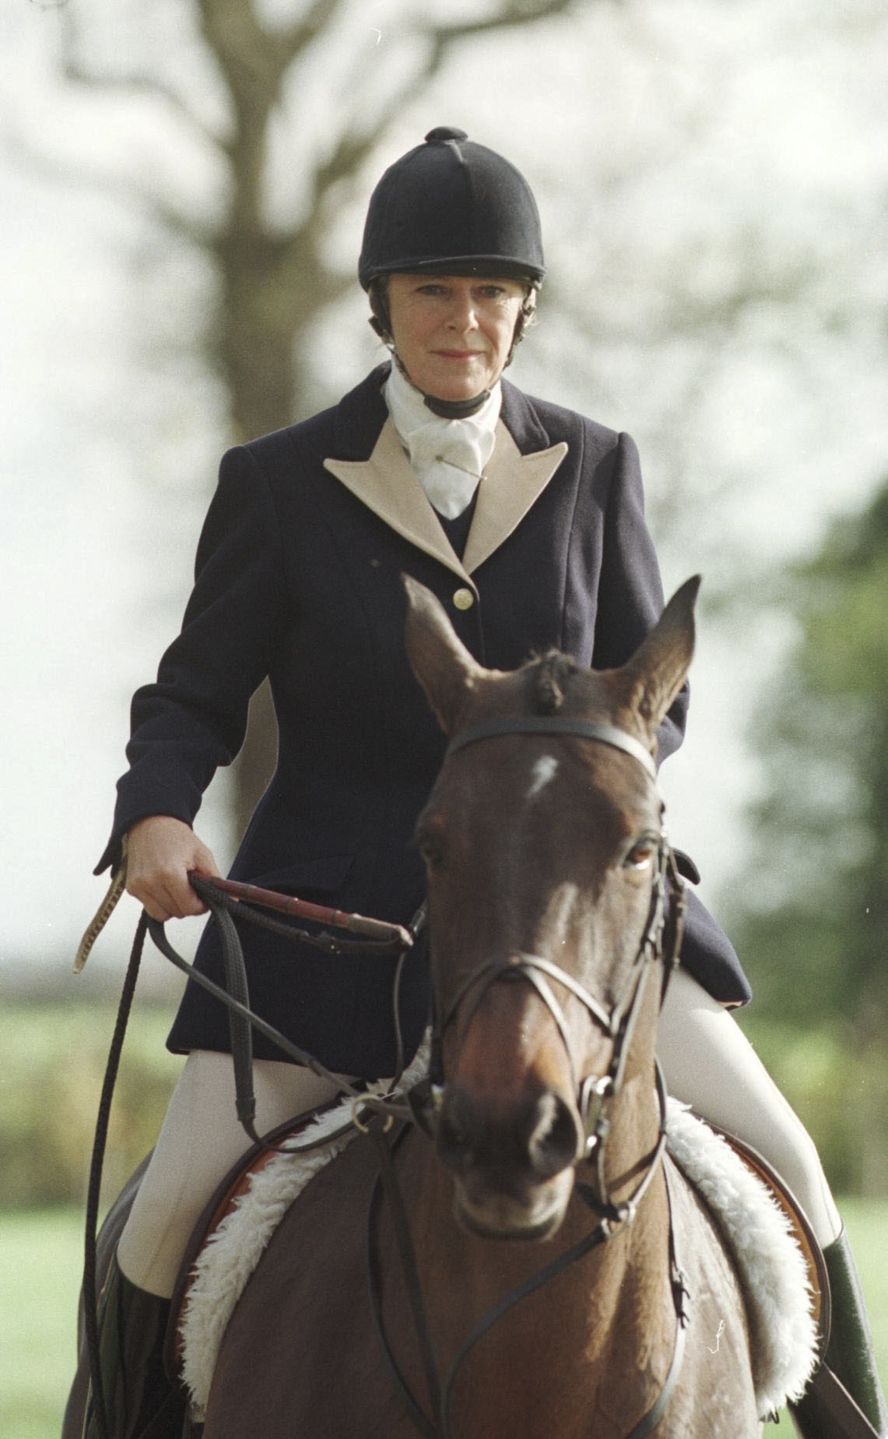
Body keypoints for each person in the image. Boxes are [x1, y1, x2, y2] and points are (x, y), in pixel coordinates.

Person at [74, 128, 885, 1439]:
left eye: (492, 295)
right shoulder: (278, 485)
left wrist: (581, 790)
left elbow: (651, 699)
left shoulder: (598, 467)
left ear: (524, 310)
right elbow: (193, 699)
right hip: (328, 936)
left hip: (572, 924)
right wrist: (156, 813)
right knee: (168, 1215)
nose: (467, 321)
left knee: (789, 1163)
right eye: (436, 293)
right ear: (384, 309)